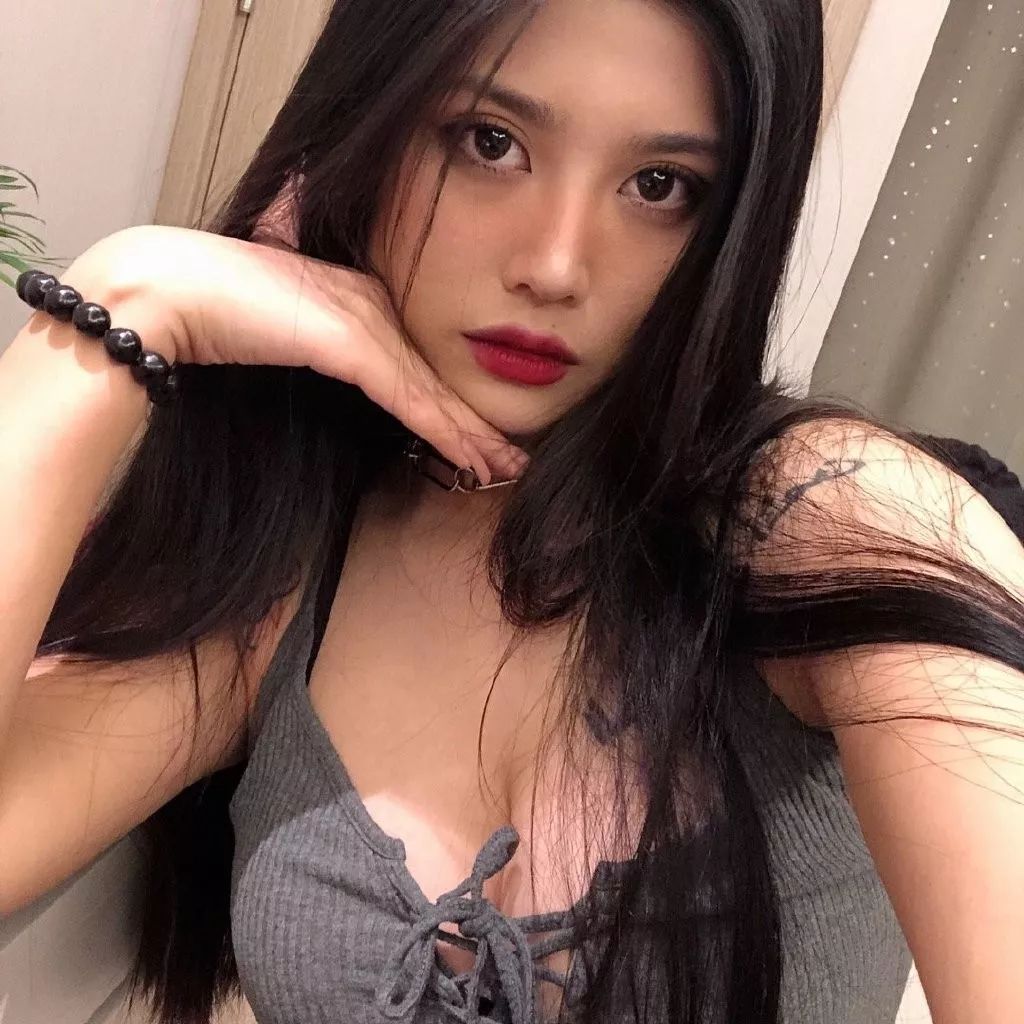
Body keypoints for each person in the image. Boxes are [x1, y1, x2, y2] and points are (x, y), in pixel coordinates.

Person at [2, 1, 1022, 1022]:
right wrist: (127, 302)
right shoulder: (287, 576)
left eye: (659, 185)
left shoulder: (830, 522)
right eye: (489, 142)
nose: (556, 265)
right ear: (369, 129)